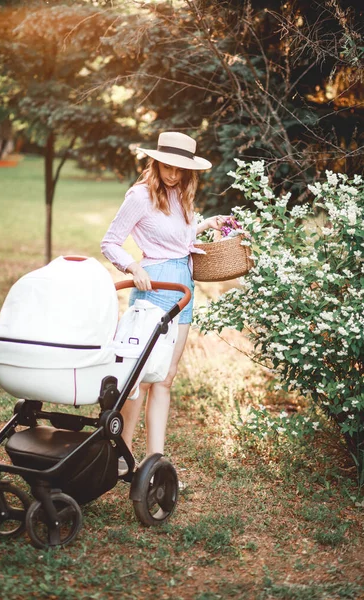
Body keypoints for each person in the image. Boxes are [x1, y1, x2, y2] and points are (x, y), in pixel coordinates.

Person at [101, 131, 225, 471]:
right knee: (139, 375)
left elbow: (178, 240)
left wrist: (203, 226)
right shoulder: (139, 196)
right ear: (155, 162)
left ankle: (155, 462)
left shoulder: (181, 195)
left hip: (184, 288)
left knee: (166, 378)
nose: (172, 174)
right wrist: (132, 265)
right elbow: (110, 242)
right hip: (153, 287)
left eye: (180, 169)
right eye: (167, 166)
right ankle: (121, 458)